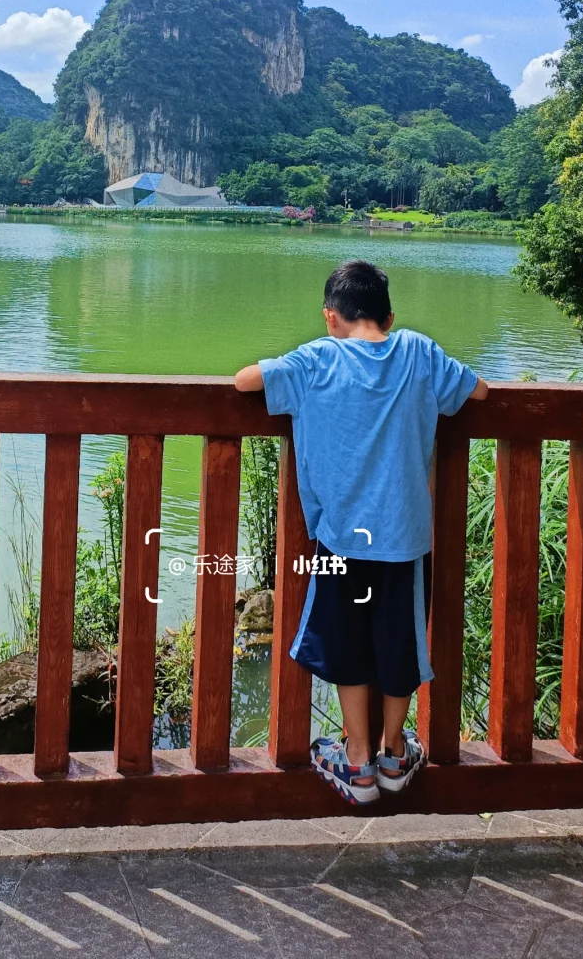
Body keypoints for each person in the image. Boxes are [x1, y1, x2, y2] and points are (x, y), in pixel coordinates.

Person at [234, 259, 488, 805]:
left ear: (331, 317)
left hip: (342, 536)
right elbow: (480, 393)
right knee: (401, 645)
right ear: (388, 316)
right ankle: (395, 753)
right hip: (405, 537)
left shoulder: (316, 359)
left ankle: (357, 762)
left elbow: (245, 381)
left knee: (346, 645)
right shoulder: (417, 352)